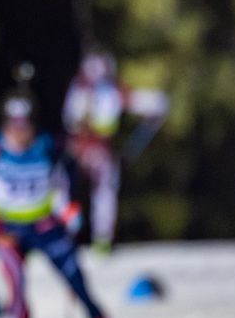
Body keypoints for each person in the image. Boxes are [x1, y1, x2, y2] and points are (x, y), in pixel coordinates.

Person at [0, 93, 121, 318]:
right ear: (5, 125)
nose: (20, 132)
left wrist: (69, 206)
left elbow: (67, 174)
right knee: (17, 287)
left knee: (77, 281)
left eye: (25, 125)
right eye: (14, 125)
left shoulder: (48, 145)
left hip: (45, 225)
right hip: (6, 229)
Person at [61, 48, 168, 253]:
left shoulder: (112, 92)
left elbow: (155, 104)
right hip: (78, 150)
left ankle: (102, 239)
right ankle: (64, 232)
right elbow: (73, 124)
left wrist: (140, 136)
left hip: (101, 150)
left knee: (105, 189)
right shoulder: (79, 91)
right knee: (61, 186)